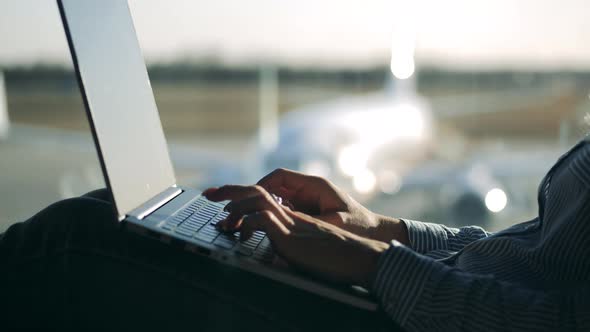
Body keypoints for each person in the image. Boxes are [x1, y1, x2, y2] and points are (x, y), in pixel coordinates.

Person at [1, 136, 589, 331]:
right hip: (428, 294)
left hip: (422, 316)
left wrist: (371, 263)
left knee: (72, 241)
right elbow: (529, 255)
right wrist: (382, 228)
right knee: (115, 210)